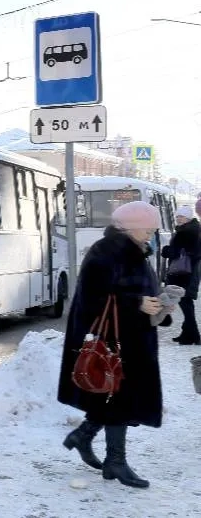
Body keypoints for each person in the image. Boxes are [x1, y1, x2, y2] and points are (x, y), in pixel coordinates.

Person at [57, 201, 163, 489]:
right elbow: (91, 299)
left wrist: (159, 306)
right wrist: (137, 303)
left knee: (116, 397)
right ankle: (115, 462)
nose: (153, 232)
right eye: (149, 227)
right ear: (132, 226)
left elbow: (135, 292)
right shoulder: (107, 252)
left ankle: (84, 435)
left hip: (131, 339)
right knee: (118, 398)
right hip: (112, 343)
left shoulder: (135, 250)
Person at [162, 205, 201, 345]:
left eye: (182, 217)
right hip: (190, 271)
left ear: (188, 218)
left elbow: (174, 252)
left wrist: (165, 250)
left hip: (184, 273)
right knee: (186, 303)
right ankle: (188, 335)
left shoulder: (186, 232)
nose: (179, 219)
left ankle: (194, 336)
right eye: (178, 217)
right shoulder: (193, 229)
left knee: (186, 304)